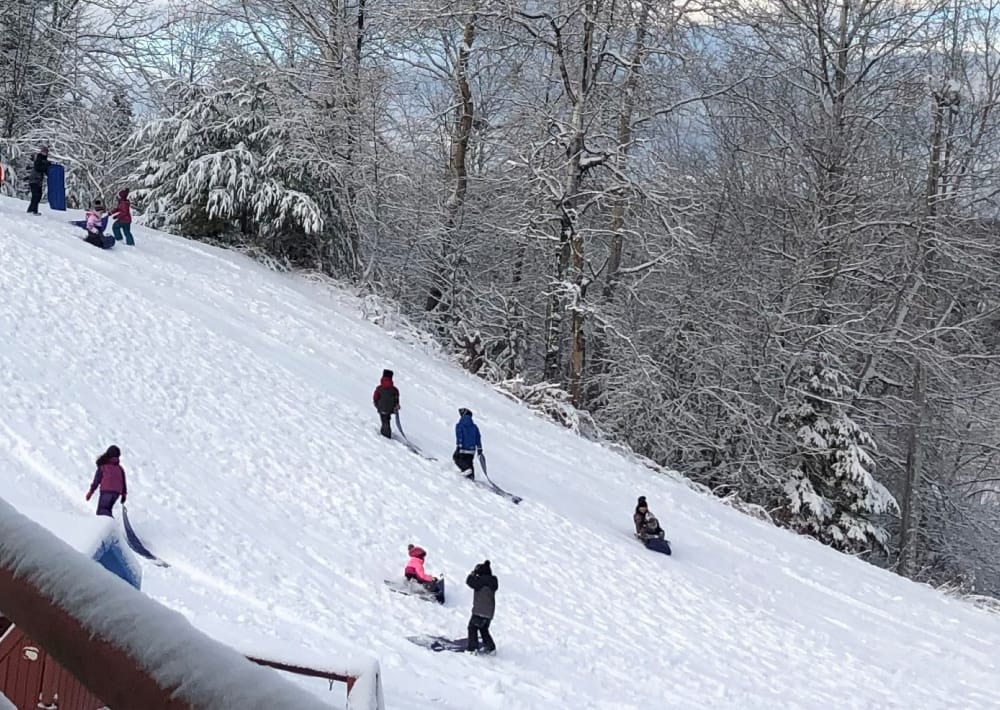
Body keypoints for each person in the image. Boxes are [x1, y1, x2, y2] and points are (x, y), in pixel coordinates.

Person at [465, 560, 498, 654]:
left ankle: (472, 649)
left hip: (479, 611)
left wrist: (473, 573)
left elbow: (469, 581)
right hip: (489, 613)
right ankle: (491, 648)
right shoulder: (493, 581)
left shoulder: (480, 581)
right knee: (484, 629)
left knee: (472, 627)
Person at [85, 445, 128, 517]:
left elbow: (96, 480)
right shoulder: (120, 468)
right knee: (107, 510)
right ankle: (110, 522)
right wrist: (124, 495)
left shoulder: (103, 466)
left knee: (102, 510)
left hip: (106, 491)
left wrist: (91, 492)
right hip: (116, 493)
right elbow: (123, 482)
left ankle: (108, 523)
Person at [453, 407, 482, 479]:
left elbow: (459, 435)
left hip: (463, 448)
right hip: (472, 450)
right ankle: (471, 477)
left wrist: (459, 445)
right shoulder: (474, 427)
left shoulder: (460, 425)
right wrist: (479, 448)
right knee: (469, 462)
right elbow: (478, 437)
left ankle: (466, 469)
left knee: (456, 458)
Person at [373, 369, 400, 438]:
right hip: (390, 409)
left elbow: (375, 397)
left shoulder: (379, 388)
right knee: (387, 420)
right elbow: (396, 399)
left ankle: (385, 436)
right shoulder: (394, 390)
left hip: (381, 408)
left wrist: (376, 405)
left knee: (384, 421)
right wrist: (396, 406)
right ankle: (385, 434)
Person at [26, 145, 50, 214]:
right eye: (44, 152)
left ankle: (32, 210)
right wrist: (46, 166)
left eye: (46, 152)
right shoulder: (39, 158)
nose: (45, 153)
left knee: (37, 196)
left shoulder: (44, 160)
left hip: (38, 181)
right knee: (36, 196)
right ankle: (33, 210)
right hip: (35, 180)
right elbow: (38, 168)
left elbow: (45, 170)